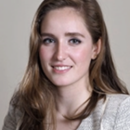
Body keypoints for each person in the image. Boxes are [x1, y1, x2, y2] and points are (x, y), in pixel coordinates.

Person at [2, 0, 130, 130]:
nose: (59, 55)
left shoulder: (120, 112)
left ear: (96, 48)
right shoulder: (22, 109)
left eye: (74, 41)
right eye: (49, 40)